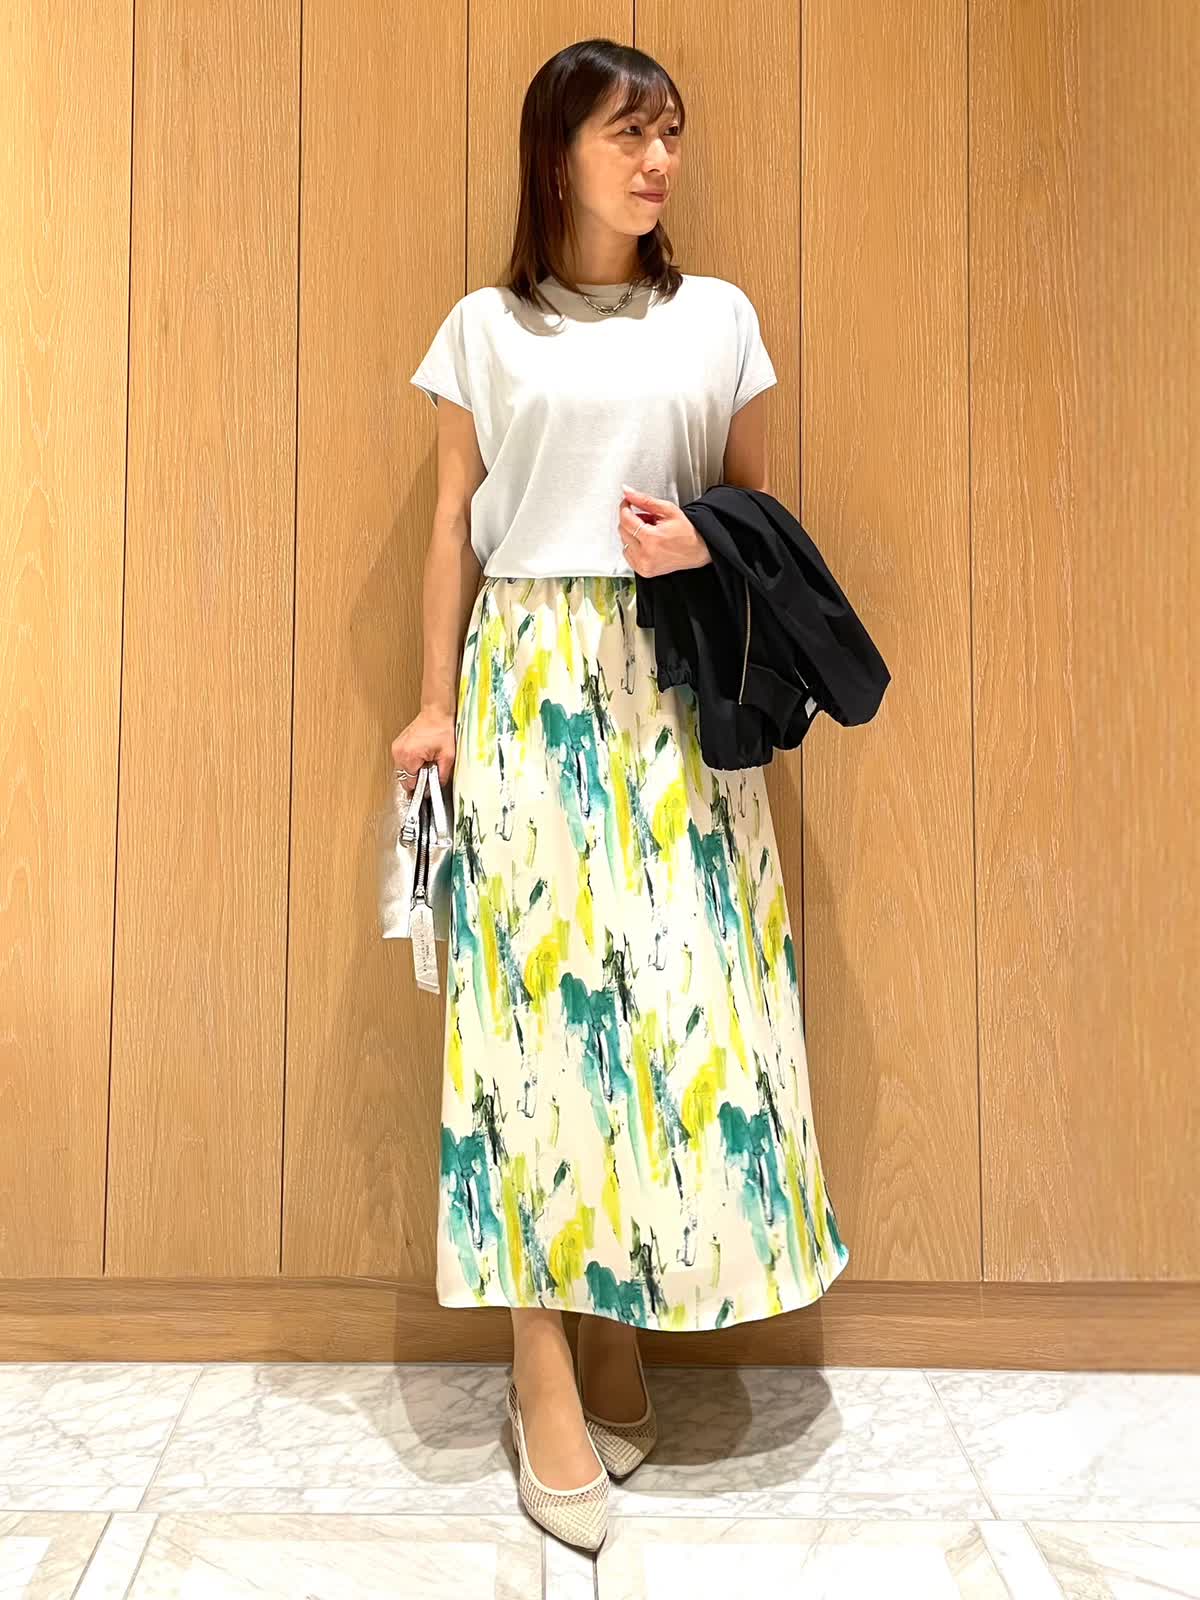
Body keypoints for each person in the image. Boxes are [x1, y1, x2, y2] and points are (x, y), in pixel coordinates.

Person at [390, 38, 850, 1553]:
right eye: (627, 134)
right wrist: (433, 704)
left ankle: (614, 1331)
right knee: (526, 1019)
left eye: (671, 134)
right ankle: (542, 1368)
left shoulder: (719, 318)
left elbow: (760, 515)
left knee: (672, 1012)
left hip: (673, 687)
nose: (657, 162)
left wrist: (702, 543)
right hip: (529, 677)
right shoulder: (485, 327)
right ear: (559, 153)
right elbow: (452, 522)